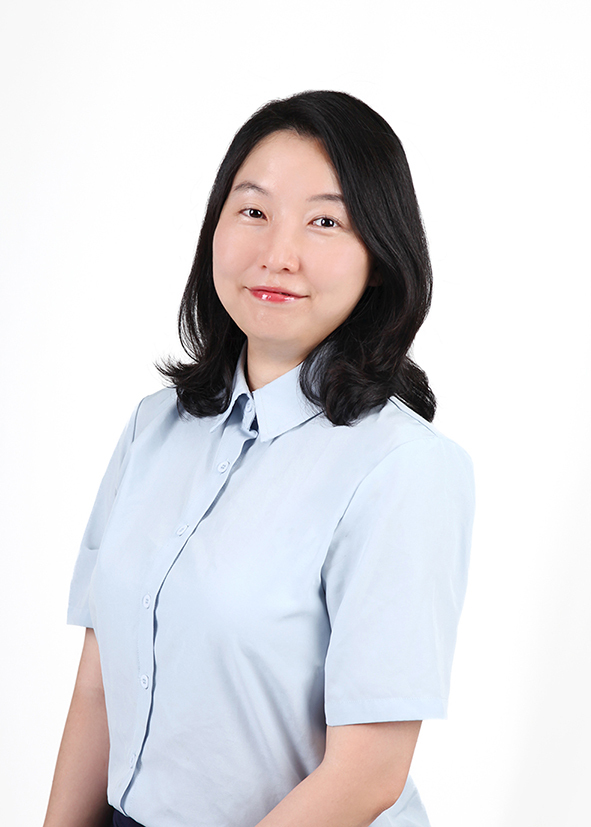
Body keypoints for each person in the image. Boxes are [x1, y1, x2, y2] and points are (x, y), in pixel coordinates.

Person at [43, 90, 475, 827]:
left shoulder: (404, 467)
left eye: (325, 221)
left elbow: (368, 771)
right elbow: (99, 683)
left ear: (379, 257)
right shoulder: (153, 427)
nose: (278, 254)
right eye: (252, 211)